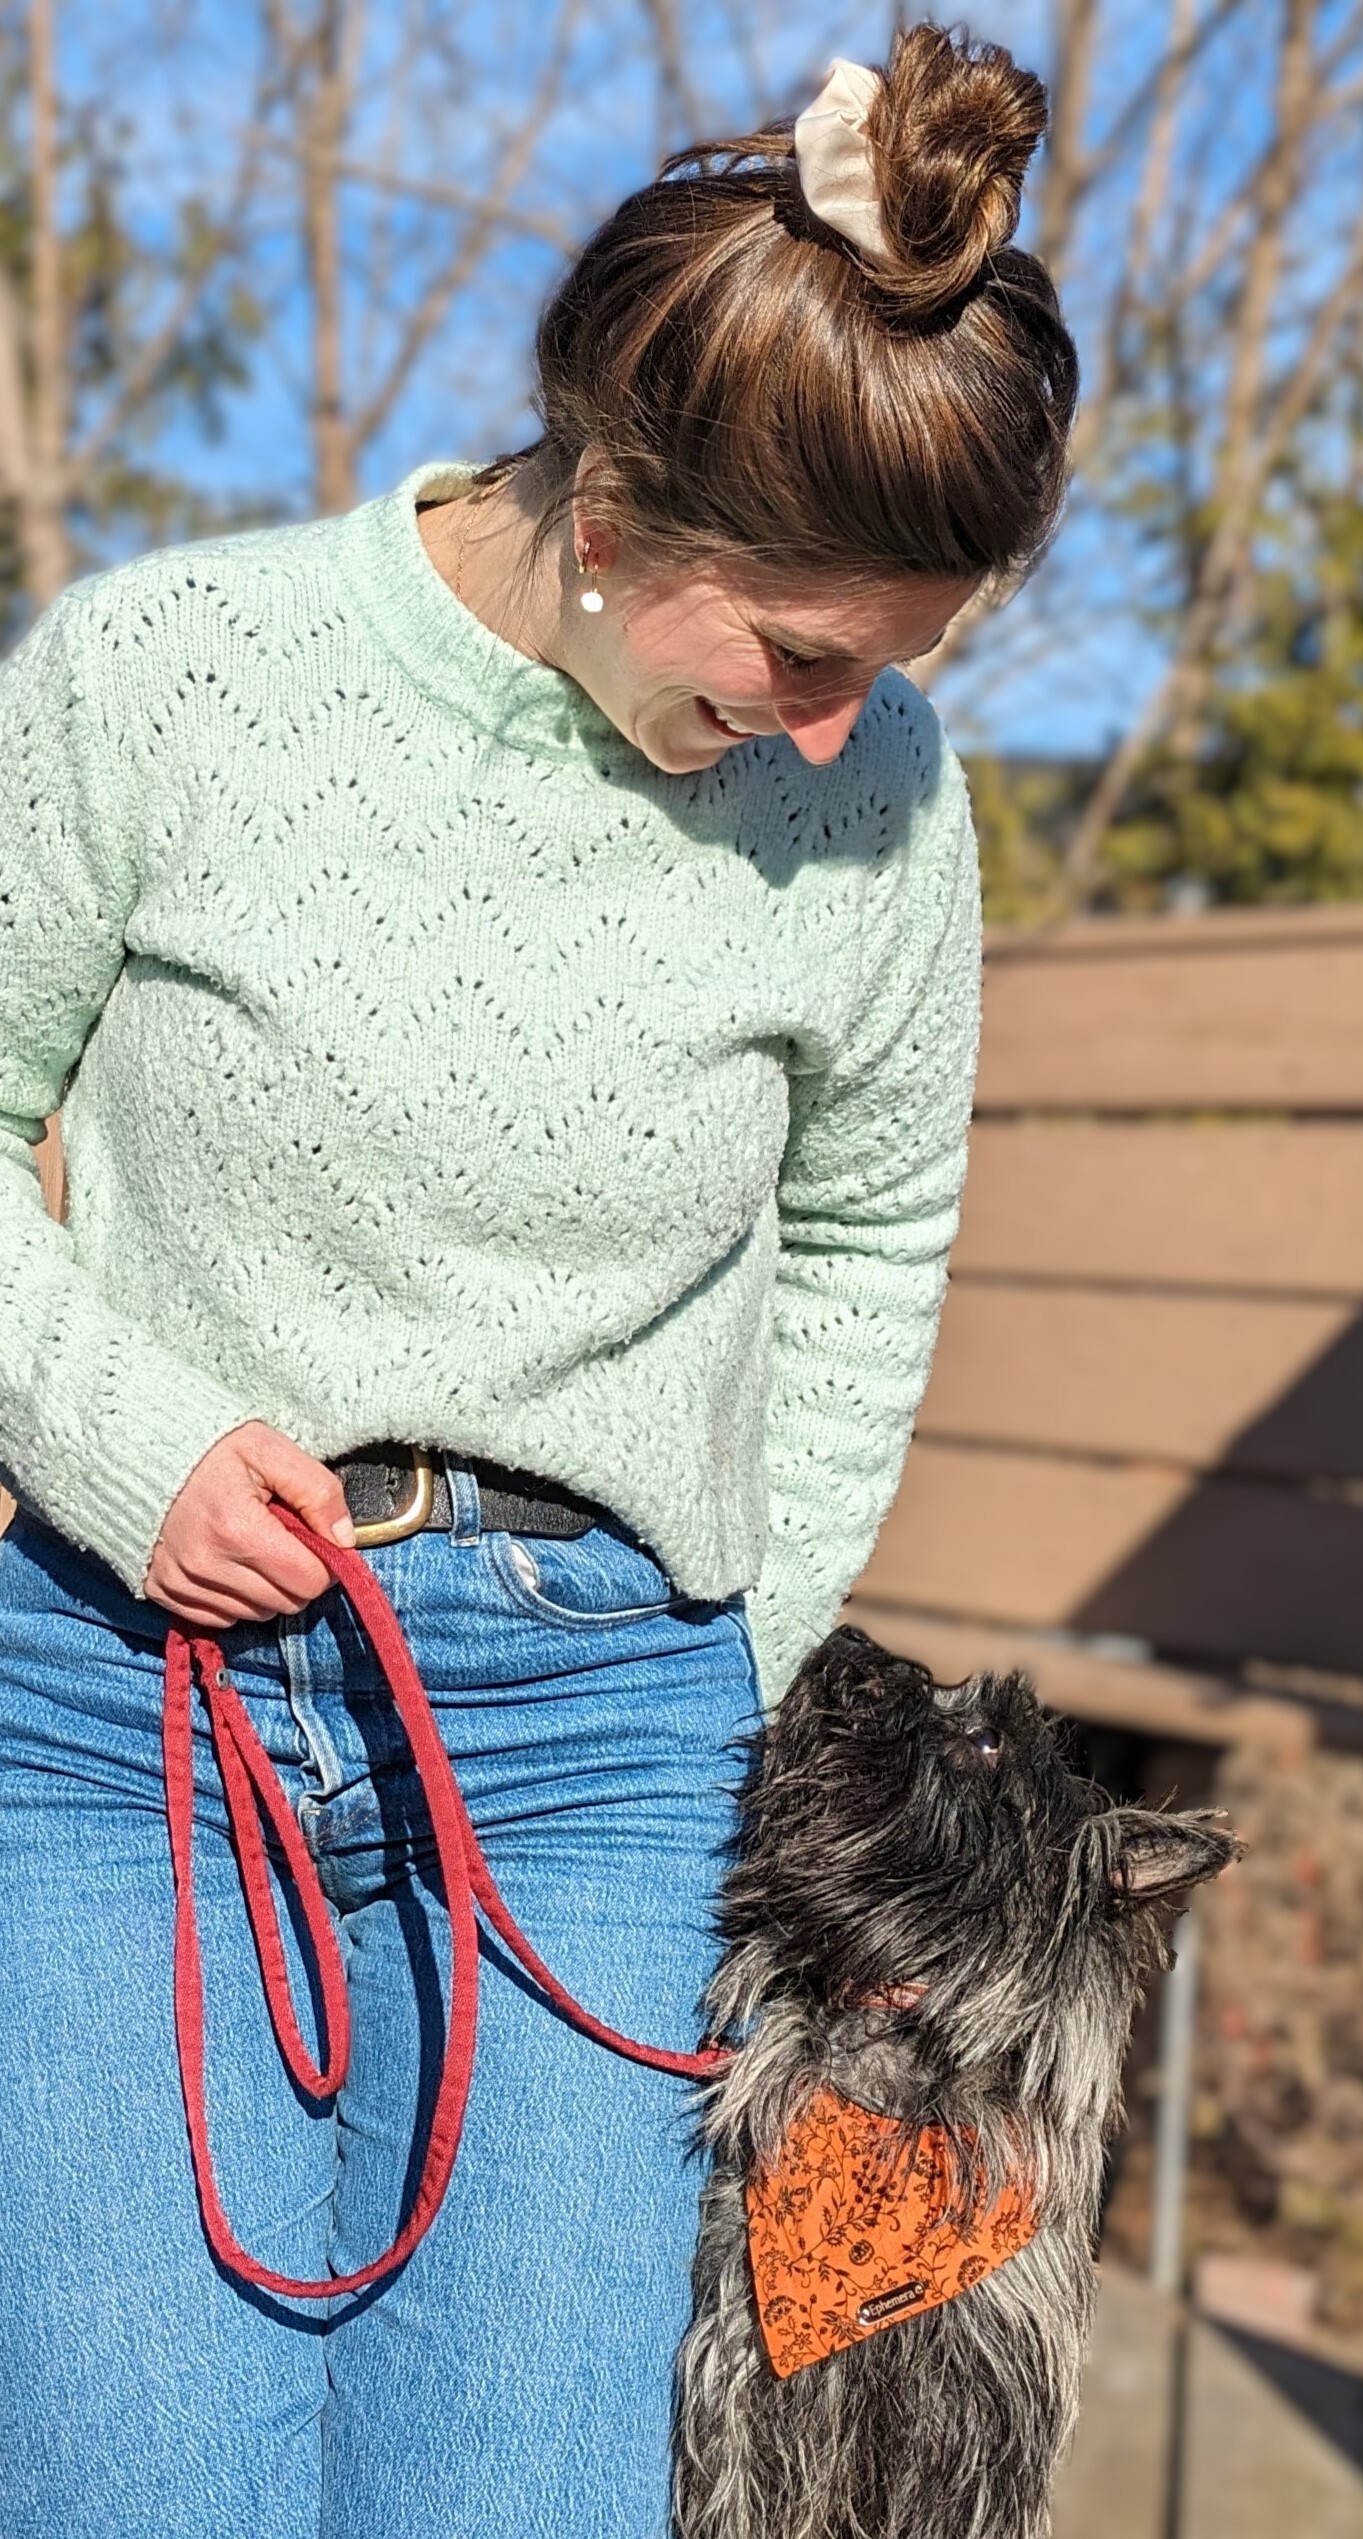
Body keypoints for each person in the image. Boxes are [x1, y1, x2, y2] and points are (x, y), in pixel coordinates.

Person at [0, 23, 1077, 2539]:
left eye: (893, 667)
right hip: (127, 1708)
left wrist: (749, 1641)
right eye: (799, 652)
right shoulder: (162, 675)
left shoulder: (877, 800)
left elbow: (866, 1232)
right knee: (133, 2489)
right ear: (612, 498)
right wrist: (108, 1428)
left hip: (606, 1741)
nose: (837, 722)